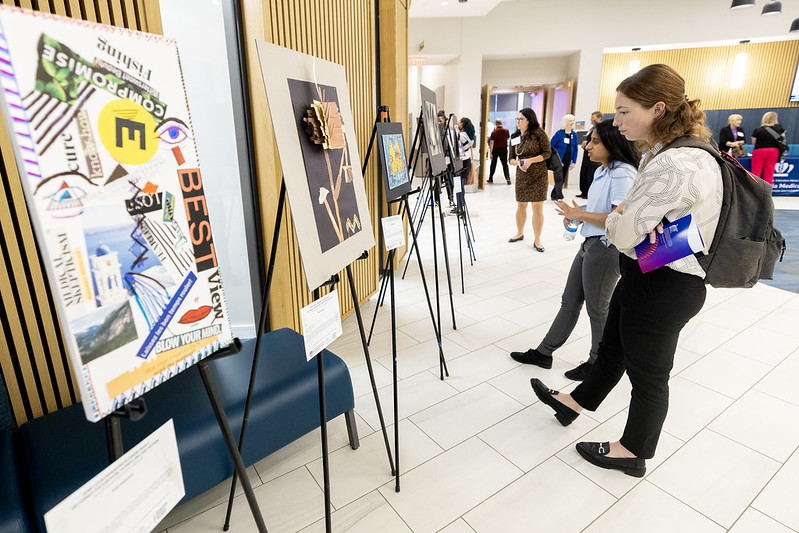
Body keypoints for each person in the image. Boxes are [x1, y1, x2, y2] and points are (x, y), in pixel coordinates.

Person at [530, 64, 722, 478]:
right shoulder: (671, 152)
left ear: (657, 108)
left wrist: (618, 217)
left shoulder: (677, 164)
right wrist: (622, 216)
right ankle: (573, 404)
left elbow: (622, 232)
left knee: (649, 375)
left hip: (666, 283)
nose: (615, 122)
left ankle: (632, 451)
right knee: (615, 347)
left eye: (623, 112)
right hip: (647, 273)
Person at [509, 119, 638, 381]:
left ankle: (597, 364)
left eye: (594, 141)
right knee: (570, 301)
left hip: (606, 247)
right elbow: (601, 208)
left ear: (613, 144)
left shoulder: (623, 171)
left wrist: (580, 214)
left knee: (597, 309)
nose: (587, 145)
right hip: (590, 243)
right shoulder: (603, 169)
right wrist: (578, 216)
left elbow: (619, 217)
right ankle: (544, 353)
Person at [508, 108, 551, 252]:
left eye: (521, 119)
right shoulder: (514, 136)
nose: (518, 122)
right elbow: (511, 159)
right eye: (517, 119)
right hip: (522, 175)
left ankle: (537, 240)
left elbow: (547, 153)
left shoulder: (539, 133)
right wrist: (519, 163)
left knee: (537, 207)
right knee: (521, 206)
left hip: (538, 175)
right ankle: (519, 233)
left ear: (529, 120)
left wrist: (530, 160)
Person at [751, 111, 786, 185]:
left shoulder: (758, 130)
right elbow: (783, 139)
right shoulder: (780, 128)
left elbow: (754, 142)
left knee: (756, 172)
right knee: (769, 173)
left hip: (759, 151)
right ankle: (767, 191)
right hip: (773, 151)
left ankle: (754, 190)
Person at [550, 114, 579, 200]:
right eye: (570, 121)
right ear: (565, 122)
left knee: (562, 179)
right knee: (559, 178)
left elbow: (576, 149)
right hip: (558, 160)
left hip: (568, 160)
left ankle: (553, 194)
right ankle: (559, 196)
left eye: (573, 120)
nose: (572, 122)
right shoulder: (559, 133)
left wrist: (574, 161)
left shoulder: (574, 134)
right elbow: (551, 146)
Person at [578, 111, 605, 198]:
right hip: (587, 156)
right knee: (584, 174)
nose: (591, 119)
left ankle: (589, 193)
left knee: (590, 174)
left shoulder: (601, 130)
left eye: (593, 117)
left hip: (594, 159)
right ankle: (584, 192)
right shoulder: (591, 129)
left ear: (599, 118)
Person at [455, 117, 474, 213]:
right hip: (466, 162)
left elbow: (458, 150)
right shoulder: (467, 135)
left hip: (462, 163)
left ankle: (460, 207)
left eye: (459, 122)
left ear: (462, 125)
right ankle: (460, 205)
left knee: (459, 186)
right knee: (461, 185)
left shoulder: (461, 136)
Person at [488, 119, 511, 184]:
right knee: (505, 164)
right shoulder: (506, 131)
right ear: (501, 123)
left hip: (495, 149)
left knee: (493, 164)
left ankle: (490, 178)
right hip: (504, 149)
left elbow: (492, 143)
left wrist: (491, 153)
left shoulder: (494, 132)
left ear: (496, 124)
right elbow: (507, 138)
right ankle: (508, 178)